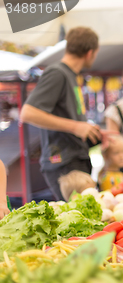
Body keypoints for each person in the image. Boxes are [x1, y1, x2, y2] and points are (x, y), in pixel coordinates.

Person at [20, 27, 102, 201]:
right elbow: (27, 113)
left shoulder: (68, 74)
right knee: (78, 220)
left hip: (72, 158)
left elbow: (69, 118)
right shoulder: (57, 73)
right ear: (90, 53)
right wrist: (76, 126)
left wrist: (92, 132)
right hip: (63, 161)